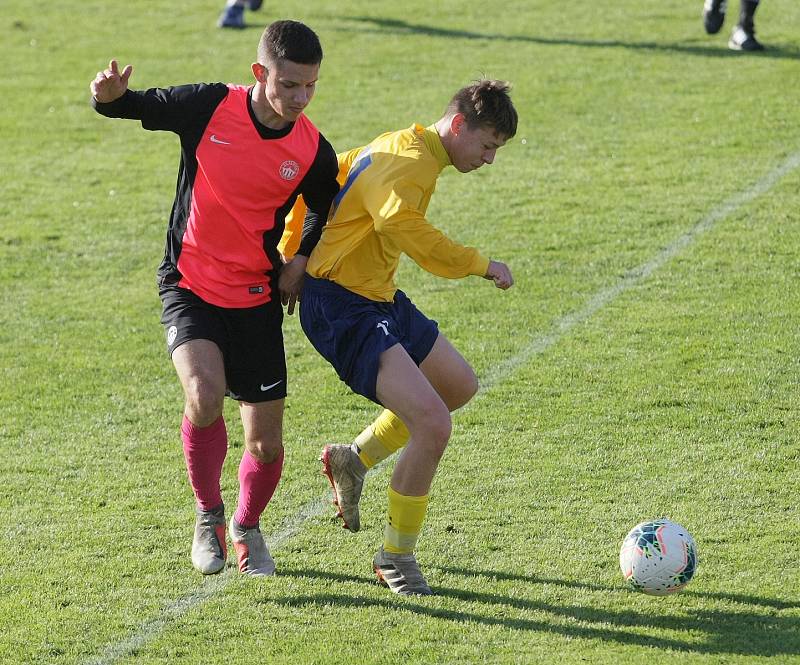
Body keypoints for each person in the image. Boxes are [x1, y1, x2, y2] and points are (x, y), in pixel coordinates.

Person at [89, 20, 339, 576]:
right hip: (190, 282)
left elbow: (325, 203)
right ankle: (209, 517)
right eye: (289, 84)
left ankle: (248, 526)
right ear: (259, 73)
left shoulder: (310, 148)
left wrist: (298, 260)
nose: (300, 97)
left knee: (267, 446)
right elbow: (136, 105)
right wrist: (108, 98)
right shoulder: (209, 106)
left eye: (310, 86)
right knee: (204, 395)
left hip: (254, 297)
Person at [289, 80, 517, 595]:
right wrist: (480, 264)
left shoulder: (403, 144)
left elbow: (327, 178)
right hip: (341, 305)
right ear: (458, 125)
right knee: (433, 423)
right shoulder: (411, 162)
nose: (488, 160)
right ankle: (396, 557)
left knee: (456, 387)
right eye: (486, 146)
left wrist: (294, 250)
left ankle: (354, 458)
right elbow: (405, 229)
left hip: (375, 296)